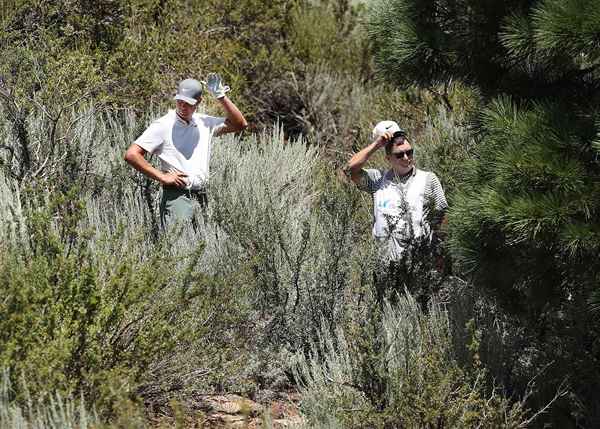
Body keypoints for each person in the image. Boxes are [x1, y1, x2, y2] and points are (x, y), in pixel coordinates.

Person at [124, 74, 247, 227]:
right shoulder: (163, 125)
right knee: (180, 247)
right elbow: (131, 154)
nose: (183, 106)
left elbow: (240, 124)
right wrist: (162, 176)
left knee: (202, 247)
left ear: (198, 102)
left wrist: (220, 96)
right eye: (180, 101)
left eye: (188, 103)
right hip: (177, 197)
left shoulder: (205, 122)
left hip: (201, 196)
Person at [346, 120, 448, 302]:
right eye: (399, 155)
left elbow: (442, 216)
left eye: (409, 152)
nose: (406, 158)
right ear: (388, 158)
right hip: (384, 265)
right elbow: (351, 169)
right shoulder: (377, 180)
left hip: (419, 264)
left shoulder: (428, 179)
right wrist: (377, 144)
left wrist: (440, 255)